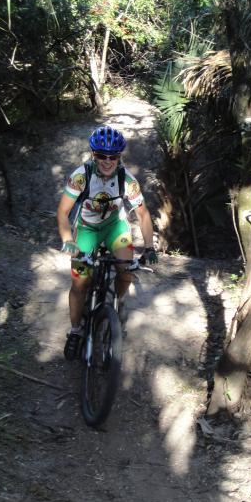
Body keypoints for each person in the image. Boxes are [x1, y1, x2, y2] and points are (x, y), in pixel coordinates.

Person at [56, 125, 158, 359]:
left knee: (126, 269)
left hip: (115, 227)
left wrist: (149, 247)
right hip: (87, 229)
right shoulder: (81, 177)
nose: (107, 161)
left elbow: (143, 214)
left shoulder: (127, 180)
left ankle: (118, 300)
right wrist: (68, 240)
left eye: (113, 156)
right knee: (80, 282)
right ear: (94, 154)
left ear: (119, 157)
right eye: (102, 155)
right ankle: (75, 331)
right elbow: (62, 213)